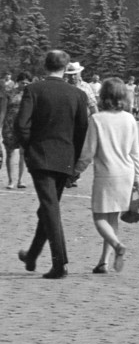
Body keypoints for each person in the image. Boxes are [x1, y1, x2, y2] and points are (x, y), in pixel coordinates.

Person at [15, 50, 91, 279]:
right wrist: (74, 160)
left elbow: (21, 125)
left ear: (44, 66)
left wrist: (29, 146)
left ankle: (60, 263)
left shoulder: (34, 90)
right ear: (65, 68)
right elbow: (82, 130)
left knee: (49, 209)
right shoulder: (78, 94)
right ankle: (32, 255)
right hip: (65, 157)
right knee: (48, 208)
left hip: (40, 156)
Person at [75, 78, 139, 275]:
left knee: (99, 218)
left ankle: (117, 244)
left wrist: (76, 171)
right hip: (127, 172)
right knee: (113, 218)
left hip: (106, 174)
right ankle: (103, 262)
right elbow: (135, 152)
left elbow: (88, 152)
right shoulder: (129, 119)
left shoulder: (97, 119)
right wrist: (138, 177)